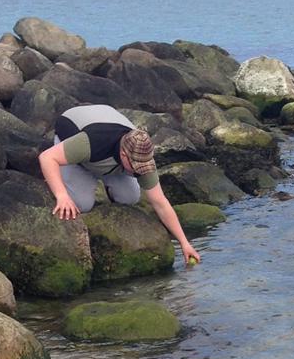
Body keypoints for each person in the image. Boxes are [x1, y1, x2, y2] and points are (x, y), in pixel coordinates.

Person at [38, 103, 201, 265]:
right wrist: (62, 196)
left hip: (107, 120)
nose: (140, 170)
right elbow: (46, 158)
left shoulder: (141, 152)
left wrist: (184, 244)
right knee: (82, 204)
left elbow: (160, 202)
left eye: (143, 166)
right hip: (75, 129)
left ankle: (106, 182)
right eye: (136, 166)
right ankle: (75, 176)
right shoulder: (91, 142)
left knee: (130, 197)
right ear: (123, 154)